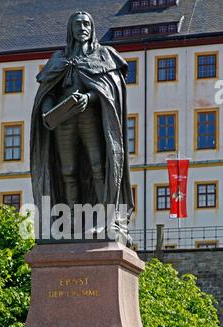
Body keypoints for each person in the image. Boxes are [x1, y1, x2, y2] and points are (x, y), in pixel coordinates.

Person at [30, 11, 134, 243]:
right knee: (68, 171)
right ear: (70, 29)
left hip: (90, 117)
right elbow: (48, 90)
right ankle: (72, 223)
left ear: (92, 27)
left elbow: (111, 89)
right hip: (63, 120)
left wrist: (90, 97)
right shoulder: (58, 58)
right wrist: (48, 110)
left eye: (86, 23)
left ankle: (104, 219)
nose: (82, 27)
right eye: (77, 24)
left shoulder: (104, 55)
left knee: (98, 166)